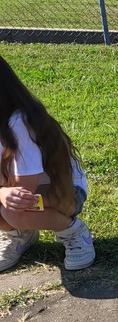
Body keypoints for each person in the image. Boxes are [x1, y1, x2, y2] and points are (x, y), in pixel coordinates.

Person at [0, 55, 96, 272]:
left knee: (14, 210)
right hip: (17, 195)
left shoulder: (19, 122)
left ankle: (73, 232)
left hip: (65, 194)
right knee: (11, 209)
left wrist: (2, 195)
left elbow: (23, 192)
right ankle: (19, 234)